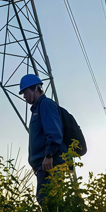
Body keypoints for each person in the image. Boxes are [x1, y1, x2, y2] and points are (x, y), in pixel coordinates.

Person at [20, 74, 68, 204]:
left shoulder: (45, 104)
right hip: (44, 165)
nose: (24, 96)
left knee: (48, 200)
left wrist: (49, 154)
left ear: (36, 88)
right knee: (45, 200)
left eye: (25, 92)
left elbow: (53, 132)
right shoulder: (37, 108)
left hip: (50, 164)